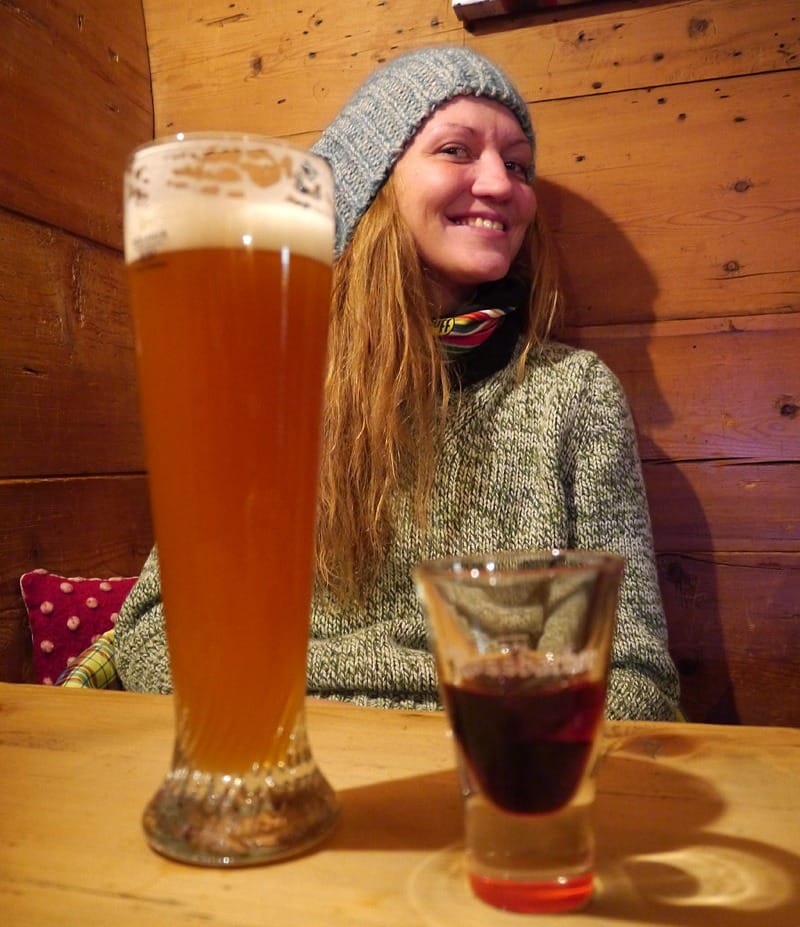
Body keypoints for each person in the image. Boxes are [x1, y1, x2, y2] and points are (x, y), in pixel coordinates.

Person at [115, 46, 680, 721]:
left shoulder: (576, 395)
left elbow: (637, 684)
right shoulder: (274, 390)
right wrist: (471, 691)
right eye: (457, 150)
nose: (501, 184)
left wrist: (298, 687)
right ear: (371, 182)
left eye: (518, 164)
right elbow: (151, 642)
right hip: (290, 760)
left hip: (491, 772)